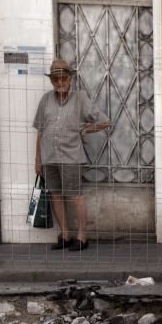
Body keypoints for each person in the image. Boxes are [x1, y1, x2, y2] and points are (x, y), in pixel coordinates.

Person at [33, 59, 110, 251]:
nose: (60, 82)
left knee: (75, 196)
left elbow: (105, 121)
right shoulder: (45, 100)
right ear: (51, 81)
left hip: (71, 157)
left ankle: (82, 237)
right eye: (55, 79)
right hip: (50, 156)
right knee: (55, 195)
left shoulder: (80, 98)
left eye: (63, 78)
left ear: (70, 79)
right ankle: (65, 234)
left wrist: (85, 130)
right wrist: (38, 159)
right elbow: (40, 131)